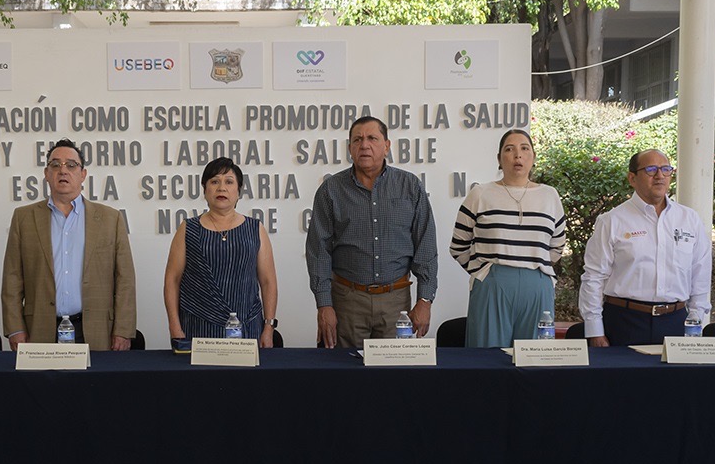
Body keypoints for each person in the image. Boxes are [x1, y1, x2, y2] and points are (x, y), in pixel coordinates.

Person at [306, 115, 438, 348]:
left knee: (394, 377)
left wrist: (425, 300)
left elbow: (425, 245)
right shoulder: (331, 190)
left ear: (386, 146)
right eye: (357, 140)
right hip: (347, 301)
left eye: (372, 138)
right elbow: (319, 251)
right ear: (349, 148)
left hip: (396, 302)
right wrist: (323, 304)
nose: (364, 145)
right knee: (346, 376)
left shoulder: (410, 186)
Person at [1, 138, 136, 351]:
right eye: (55, 165)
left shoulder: (111, 219)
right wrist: (15, 328)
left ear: (83, 174)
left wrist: (123, 329)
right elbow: (12, 278)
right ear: (46, 174)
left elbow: (125, 279)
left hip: (96, 330)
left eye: (71, 165)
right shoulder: (23, 218)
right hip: (39, 329)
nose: (63, 171)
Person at [579, 148, 711, 346]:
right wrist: (594, 330)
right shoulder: (612, 221)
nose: (659, 176)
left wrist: (695, 322)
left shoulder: (689, 219)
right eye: (651, 170)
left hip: (676, 323)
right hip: (624, 321)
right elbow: (594, 277)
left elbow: (700, 274)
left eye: (666, 169)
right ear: (632, 178)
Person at [450, 129, 566, 347]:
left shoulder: (550, 196)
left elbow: (557, 246)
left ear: (533, 157)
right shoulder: (480, 194)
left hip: (537, 286)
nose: (517, 155)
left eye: (524, 149)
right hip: (492, 285)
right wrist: (483, 272)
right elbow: (458, 246)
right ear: (499, 159)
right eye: (509, 149)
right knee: (487, 361)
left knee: (534, 359)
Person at [164, 157, 278, 347]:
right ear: (204, 189)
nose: (221, 188)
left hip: (247, 328)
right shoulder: (188, 228)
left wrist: (269, 327)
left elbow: (268, 282)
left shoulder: (255, 228)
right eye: (214, 181)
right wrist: (174, 325)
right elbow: (172, 280)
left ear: (239, 191)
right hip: (198, 327)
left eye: (229, 182)